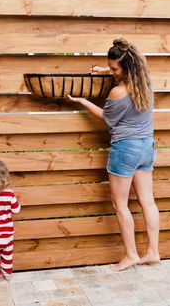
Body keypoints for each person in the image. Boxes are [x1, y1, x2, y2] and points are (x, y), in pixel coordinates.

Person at [68, 38, 159, 271]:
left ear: (126, 69)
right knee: (147, 201)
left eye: (114, 69)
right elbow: (129, 65)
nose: (112, 72)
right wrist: (102, 69)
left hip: (126, 149)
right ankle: (153, 252)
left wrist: (82, 101)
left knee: (120, 204)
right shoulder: (145, 83)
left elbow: (108, 119)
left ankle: (130, 255)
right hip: (146, 147)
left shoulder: (118, 92)